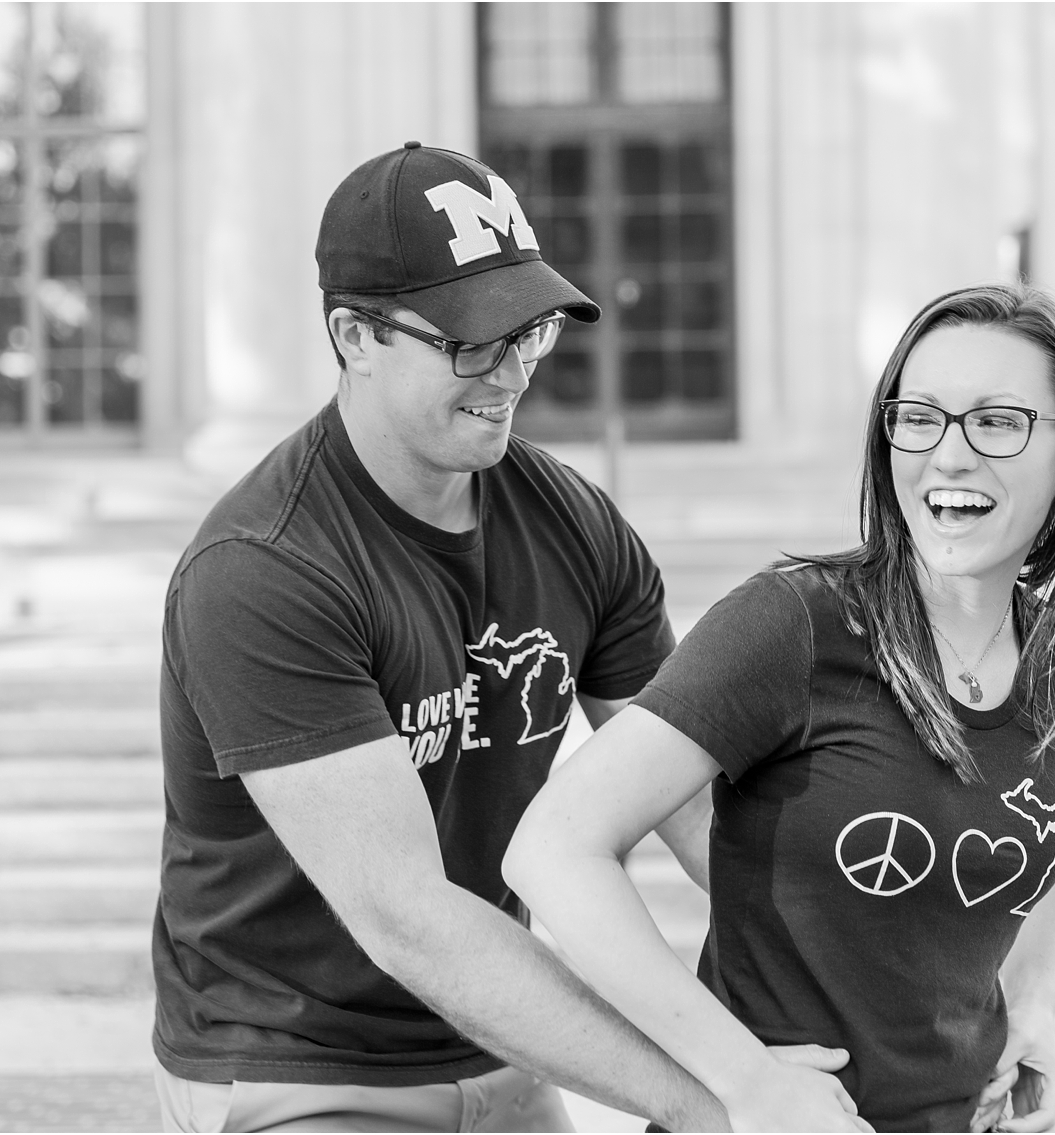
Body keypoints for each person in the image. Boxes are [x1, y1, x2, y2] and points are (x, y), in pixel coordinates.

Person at [148, 142, 854, 1133]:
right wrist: (718, 1091)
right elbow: (409, 920)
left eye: (528, 333)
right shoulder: (264, 570)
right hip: (298, 1070)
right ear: (353, 335)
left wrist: (897, 1017)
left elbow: (702, 813)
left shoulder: (574, 525)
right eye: (472, 343)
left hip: (500, 1052)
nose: (512, 374)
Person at [505, 284, 1055, 1133]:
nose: (949, 455)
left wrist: (1036, 1005)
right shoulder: (794, 623)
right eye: (920, 417)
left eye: (998, 421)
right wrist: (736, 1076)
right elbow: (552, 849)